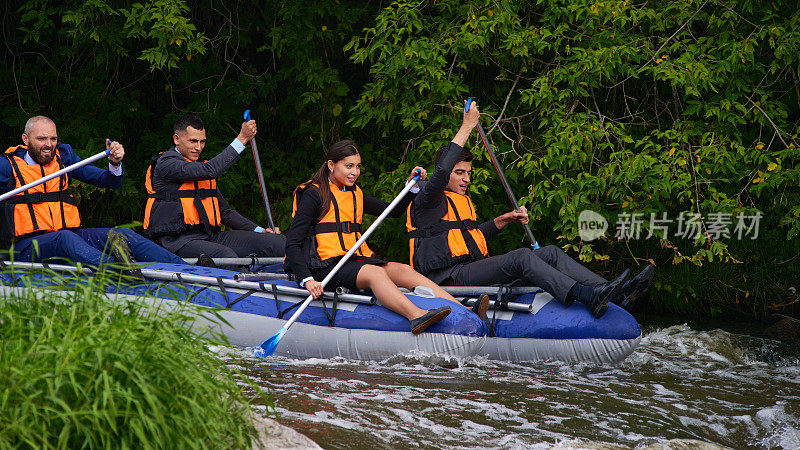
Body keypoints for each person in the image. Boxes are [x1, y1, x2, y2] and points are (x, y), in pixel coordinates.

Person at [406, 102, 655, 318]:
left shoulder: (459, 201)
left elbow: (466, 237)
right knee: (522, 256)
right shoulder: (428, 198)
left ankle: (616, 292)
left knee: (550, 253)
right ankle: (586, 295)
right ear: (446, 171)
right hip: (446, 278)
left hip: (468, 270)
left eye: (468, 173)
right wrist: (468, 125)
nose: (466, 179)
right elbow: (440, 173)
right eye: (459, 172)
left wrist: (503, 220)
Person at [284, 139, 489, 335]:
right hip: (321, 267)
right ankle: (416, 316)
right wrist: (306, 279)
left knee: (403, 270)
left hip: (349, 261)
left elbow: (393, 211)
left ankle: (463, 310)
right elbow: (293, 242)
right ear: (331, 165)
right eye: (349, 166)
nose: (355, 172)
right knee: (375, 274)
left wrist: (411, 187)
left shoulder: (354, 193)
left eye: (357, 166)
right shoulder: (313, 194)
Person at [0, 115, 185, 269]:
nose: (49, 144)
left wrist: (115, 163)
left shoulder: (64, 157)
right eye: (41, 139)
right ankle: (118, 271)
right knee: (65, 239)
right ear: (25, 139)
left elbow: (109, 181)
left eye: (53, 139)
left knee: (120, 235)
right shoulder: (6, 166)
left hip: (70, 236)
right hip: (26, 246)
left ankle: (190, 270)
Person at [143, 114, 286, 263]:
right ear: (176, 139)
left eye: (202, 141)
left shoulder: (200, 166)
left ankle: (305, 280)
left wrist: (261, 230)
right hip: (177, 241)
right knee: (227, 256)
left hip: (210, 236)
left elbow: (225, 213)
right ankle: (245, 284)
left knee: (277, 242)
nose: (198, 147)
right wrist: (242, 138)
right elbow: (210, 170)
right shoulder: (166, 163)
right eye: (193, 141)